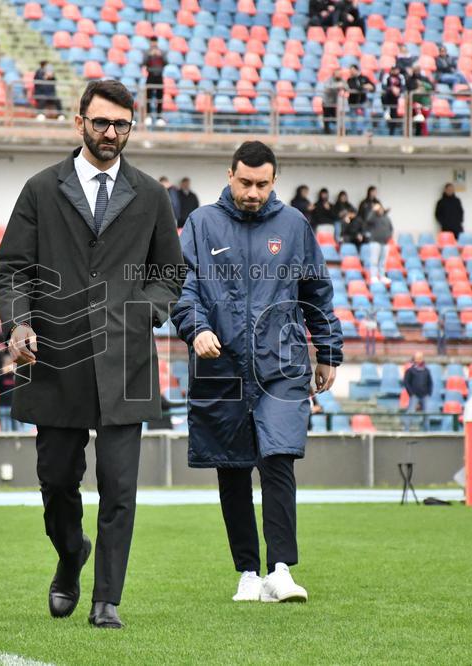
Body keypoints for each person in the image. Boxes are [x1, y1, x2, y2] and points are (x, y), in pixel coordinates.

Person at [0, 80, 184, 629]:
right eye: (101, 123)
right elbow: (11, 270)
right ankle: (70, 553)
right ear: (79, 123)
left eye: (121, 125)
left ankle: (107, 600)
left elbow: (169, 273)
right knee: (56, 482)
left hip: (127, 362)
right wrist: (19, 322)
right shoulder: (40, 189)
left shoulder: (150, 194)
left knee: (120, 488)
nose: (110, 133)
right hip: (55, 359)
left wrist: (143, 312)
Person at [169, 140, 343, 605]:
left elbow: (317, 292)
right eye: (245, 182)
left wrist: (327, 351)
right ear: (230, 175)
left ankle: (280, 570)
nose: (252, 191)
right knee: (232, 467)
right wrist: (196, 329)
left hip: (280, 364)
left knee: (278, 458)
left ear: (274, 180)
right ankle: (247, 571)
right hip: (219, 364)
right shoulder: (202, 224)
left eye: (262, 184)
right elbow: (181, 288)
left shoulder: (294, 225)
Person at [401, 352, 432, 431]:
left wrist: (429, 393)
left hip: (425, 395)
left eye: (420, 358)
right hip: (414, 395)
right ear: (414, 359)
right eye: (417, 358)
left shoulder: (426, 371)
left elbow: (430, 382)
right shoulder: (410, 371)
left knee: (427, 413)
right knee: (410, 412)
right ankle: (406, 430)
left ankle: (427, 431)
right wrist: (411, 394)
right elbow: (406, 382)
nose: (419, 360)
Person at [365, 203, 393, 285]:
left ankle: (382, 276)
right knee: (374, 260)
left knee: (383, 261)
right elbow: (368, 220)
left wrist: (388, 236)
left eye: (381, 209)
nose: (380, 210)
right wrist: (373, 211)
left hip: (385, 242)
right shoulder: (374, 217)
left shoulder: (386, 218)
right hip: (375, 242)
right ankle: (373, 276)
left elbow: (391, 228)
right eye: (378, 209)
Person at [144, 37, 166, 125]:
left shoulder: (161, 52)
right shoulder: (147, 52)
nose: (154, 44)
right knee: (148, 97)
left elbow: (166, 63)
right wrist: (150, 55)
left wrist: (160, 56)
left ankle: (159, 117)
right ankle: (148, 116)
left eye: (155, 42)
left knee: (159, 97)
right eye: (152, 42)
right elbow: (143, 63)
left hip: (159, 77)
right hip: (150, 76)